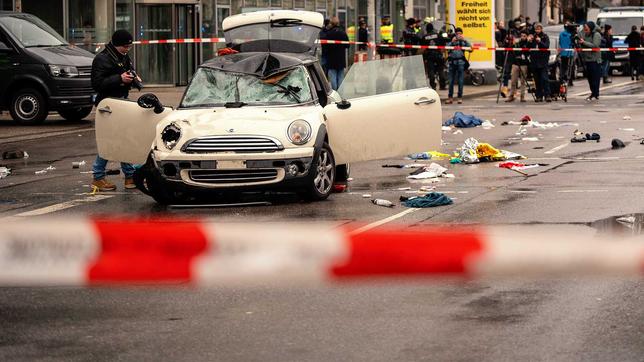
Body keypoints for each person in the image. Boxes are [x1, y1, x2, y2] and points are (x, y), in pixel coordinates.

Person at [90, 30, 138, 191]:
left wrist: (134, 79)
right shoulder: (101, 59)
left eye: (129, 46)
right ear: (117, 44)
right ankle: (99, 176)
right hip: (107, 105)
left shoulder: (122, 56)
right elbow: (97, 84)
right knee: (111, 140)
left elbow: (127, 72)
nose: (127, 49)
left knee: (122, 139)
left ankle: (129, 177)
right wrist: (120, 79)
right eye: (125, 46)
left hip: (121, 102)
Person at [445, 28, 471, 105]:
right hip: (452, 62)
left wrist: (464, 40)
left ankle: (459, 97)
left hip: (461, 62)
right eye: (457, 33)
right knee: (450, 81)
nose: (458, 35)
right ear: (455, 34)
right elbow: (446, 48)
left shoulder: (463, 42)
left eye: (460, 33)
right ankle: (450, 98)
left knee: (460, 81)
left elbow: (471, 49)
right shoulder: (452, 41)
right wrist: (452, 42)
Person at [322, 17, 349, 90]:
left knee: (332, 76)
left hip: (331, 59)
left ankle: (335, 92)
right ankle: (340, 92)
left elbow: (324, 46)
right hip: (341, 58)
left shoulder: (329, 33)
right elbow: (347, 45)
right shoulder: (343, 33)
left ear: (331, 24)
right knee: (340, 76)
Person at [578, 21, 602, 101]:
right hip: (587, 59)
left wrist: (584, 42)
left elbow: (595, 45)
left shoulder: (596, 35)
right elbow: (583, 43)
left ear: (591, 28)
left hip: (595, 60)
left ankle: (596, 94)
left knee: (595, 78)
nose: (585, 30)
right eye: (584, 28)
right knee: (590, 78)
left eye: (587, 28)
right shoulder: (585, 34)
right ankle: (593, 93)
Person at [527, 23, 551, 102]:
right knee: (537, 80)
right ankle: (539, 96)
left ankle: (547, 95)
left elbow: (546, 46)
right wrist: (529, 41)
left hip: (543, 61)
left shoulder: (545, 36)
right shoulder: (532, 36)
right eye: (536, 29)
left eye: (539, 29)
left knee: (544, 79)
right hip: (534, 61)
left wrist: (540, 41)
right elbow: (528, 48)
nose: (537, 30)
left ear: (541, 29)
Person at [506, 30, 530, 103]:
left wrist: (529, 42)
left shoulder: (528, 43)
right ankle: (511, 96)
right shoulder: (517, 43)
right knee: (513, 81)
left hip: (523, 64)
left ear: (527, 37)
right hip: (515, 63)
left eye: (524, 36)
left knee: (523, 81)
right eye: (521, 36)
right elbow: (511, 50)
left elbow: (528, 52)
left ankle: (522, 97)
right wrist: (511, 44)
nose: (522, 37)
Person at [421, 22, 447, 90]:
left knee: (431, 71)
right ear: (432, 28)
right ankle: (442, 85)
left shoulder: (425, 37)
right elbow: (443, 45)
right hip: (438, 55)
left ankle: (433, 86)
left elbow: (422, 48)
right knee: (440, 70)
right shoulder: (438, 35)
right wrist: (442, 53)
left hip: (429, 56)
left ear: (427, 29)